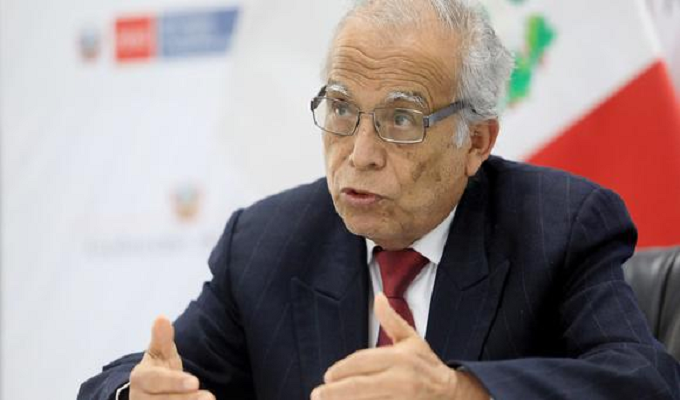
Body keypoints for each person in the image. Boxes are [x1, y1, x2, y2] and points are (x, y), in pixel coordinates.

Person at [79, 0, 680, 399]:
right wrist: (138, 393)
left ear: (476, 142)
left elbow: (646, 381)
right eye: (341, 109)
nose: (360, 153)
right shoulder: (267, 243)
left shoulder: (558, 226)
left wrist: (459, 392)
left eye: (401, 119)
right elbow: (141, 377)